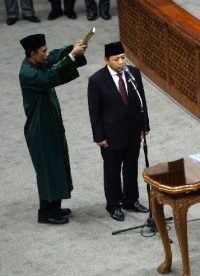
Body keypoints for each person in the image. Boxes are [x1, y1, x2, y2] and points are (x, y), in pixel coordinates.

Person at [19, 34, 87, 224]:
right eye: (43, 51)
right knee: (48, 170)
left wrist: (72, 48)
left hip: (49, 125)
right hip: (40, 130)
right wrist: (72, 57)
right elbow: (49, 78)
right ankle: (45, 212)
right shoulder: (28, 73)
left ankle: (54, 207)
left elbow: (55, 57)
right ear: (32, 54)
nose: (47, 54)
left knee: (56, 165)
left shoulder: (37, 63)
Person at [87, 42, 150, 221]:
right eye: (117, 59)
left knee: (131, 168)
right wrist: (99, 136)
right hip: (111, 135)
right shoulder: (97, 80)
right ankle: (114, 205)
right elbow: (94, 112)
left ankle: (131, 200)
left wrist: (144, 125)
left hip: (132, 131)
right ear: (106, 60)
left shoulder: (133, 73)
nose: (122, 62)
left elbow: (141, 101)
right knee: (112, 171)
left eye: (123, 57)